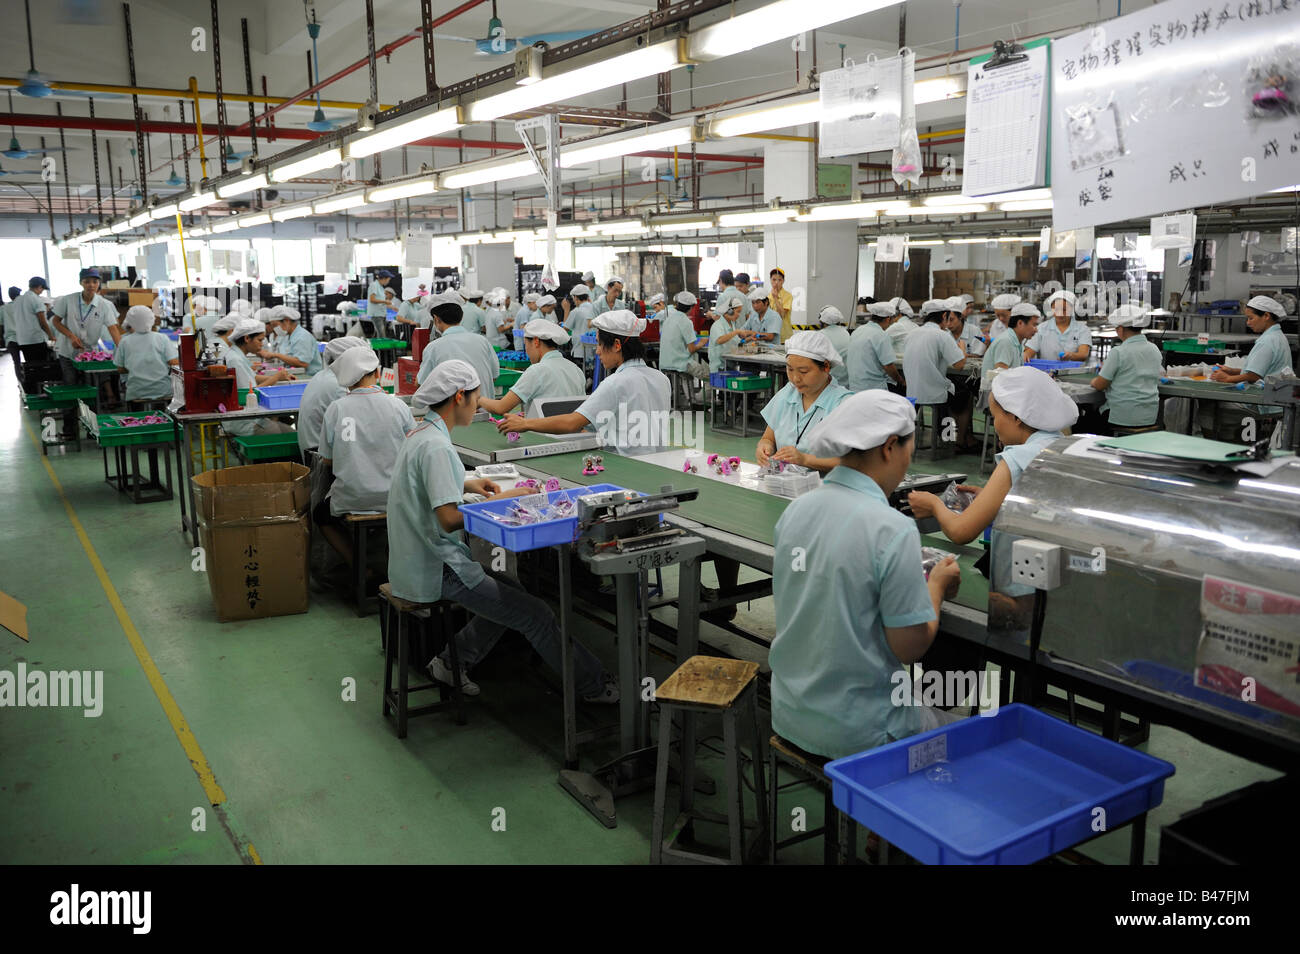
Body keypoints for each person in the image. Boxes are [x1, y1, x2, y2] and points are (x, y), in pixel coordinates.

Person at [388, 359, 618, 702]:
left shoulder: (421, 434)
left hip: (414, 558)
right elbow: (449, 519)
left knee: (513, 590)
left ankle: (452, 662)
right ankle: (593, 687)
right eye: (477, 396)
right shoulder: (437, 447)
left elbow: (426, 489)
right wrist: (503, 500)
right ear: (459, 397)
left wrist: (468, 482)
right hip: (438, 567)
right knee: (537, 615)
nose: (480, 402)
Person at [769, 390, 963, 759]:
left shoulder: (796, 510)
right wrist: (935, 587)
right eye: (909, 448)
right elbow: (910, 648)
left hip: (791, 712)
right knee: (974, 739)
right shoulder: (893, 529)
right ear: (890, 447)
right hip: (861, 732)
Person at [907, 367, 1077, 633]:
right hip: (1061, 578)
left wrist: (935, 505)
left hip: (1022, 583)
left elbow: (961, 531)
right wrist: (990, 496)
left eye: (995, 416)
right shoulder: (1063, 444)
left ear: (1016, 417)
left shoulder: (1016, 459)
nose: (994, 424)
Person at [497, 310, 670, 456]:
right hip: (657, 464)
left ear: (617, 345)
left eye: (600, 344)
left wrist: (525, 424)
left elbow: (571, 422)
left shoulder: (616, 383)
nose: (598, 351)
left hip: (626, 467)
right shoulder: (661, 378)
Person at [316, 347, 417, 564]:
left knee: (320, 514)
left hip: (354, 497)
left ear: (346, 381)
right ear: (378, 373)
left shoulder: (336, 409)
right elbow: (413, 449)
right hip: (396, 496)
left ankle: (359, 564)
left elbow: (327, 460)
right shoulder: (398, 406)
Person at [755, 330, 851, 475]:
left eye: (804, 371)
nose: (795, 379)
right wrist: (764, 447)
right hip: (784, 484)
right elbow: (768, 437)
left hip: (825, 489)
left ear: (826, 367)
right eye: (790, 369)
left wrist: (805, 459)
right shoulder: (788, 393)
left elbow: (851, 462)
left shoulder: (843, 404)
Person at [1202, 294, 1295, 443]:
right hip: (1274, 397)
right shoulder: (1276, 336)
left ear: (1266, 316)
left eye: (1251, 318)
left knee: (1207, 407)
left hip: (1264, 404)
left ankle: (1217, 443)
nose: (1248, 323)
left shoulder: (1268, 341)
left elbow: (1253, 376)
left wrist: (1227, 379)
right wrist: (1232, 371)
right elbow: (1262, 370)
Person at [478, 318, 585, 416]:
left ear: (536, 341)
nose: (527, 352)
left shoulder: (537, 371)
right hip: (570, 435)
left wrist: (478, 399)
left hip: (543, 435)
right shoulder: (576, 369)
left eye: (526, 345)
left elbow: (501, 407)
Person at [1090, 303, 1164, 434]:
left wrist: (1094, 381)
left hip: (1121, 417)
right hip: (1150, 417)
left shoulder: (1118, 352)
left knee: (1084, 421)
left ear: (1120, 329)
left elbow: (1100, 384)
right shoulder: (1154, 349)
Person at [415, 294, 499, 403]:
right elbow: (494, 375)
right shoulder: (483, 341)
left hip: (455, 416)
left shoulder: (433, 348)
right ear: (461, 316)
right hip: (486, 411)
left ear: (436, 319)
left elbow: (422, 383)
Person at [222, 317, 296, 438]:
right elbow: (250, 394)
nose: (262, 344)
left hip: (248, 415)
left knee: (291, 433)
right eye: (259, 340)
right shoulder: (235, 360)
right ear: (247, 338)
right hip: (244, 421)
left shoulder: (237, 355)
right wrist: (275, 377)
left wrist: (280, 377)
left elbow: (252, 377)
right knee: (279, 432)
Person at [297, 336, 367, 456]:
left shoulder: (323, 375)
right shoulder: (339, 385)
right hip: (323, 461)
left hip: (313, 451)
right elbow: (355, 429)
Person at [51, 268, 122, 385]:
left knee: (90, 385)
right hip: (67, 349)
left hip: (89, 353)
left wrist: (122, 351)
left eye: (95, 282)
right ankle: (74, 403)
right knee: (71, 383)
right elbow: (56, 321)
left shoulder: (104, 305)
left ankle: (89, 404)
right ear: (81, 283)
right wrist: (71, 336)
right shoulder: (68, 300)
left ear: (99, 283)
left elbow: (113, 329)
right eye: (87, 281)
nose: (91, 285)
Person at [902, 298, 968, 411]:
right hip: (935, 395)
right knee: (965, 394)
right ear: (944, 316)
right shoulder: (942, 335)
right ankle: (950, 428)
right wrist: (962, 347)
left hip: (912, 393)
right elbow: (960, 365)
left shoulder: (911, 334)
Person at [112, 305, 179, 408]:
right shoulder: (162, 338)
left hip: (136, 392)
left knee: (139, 419)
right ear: (151, 319)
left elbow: (120, 369)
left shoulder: (124, 341)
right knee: (164, 417)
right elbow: (174, 363)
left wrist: (136, 368)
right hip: (162, 390)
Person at [847, 301, 902, 392]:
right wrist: (901, 381)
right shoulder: (881, 335)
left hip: (854, 387)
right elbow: (888, 366)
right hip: (873, 389)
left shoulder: (858, 330)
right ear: (888, 319)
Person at [1025, 289, 1091, 363]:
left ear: (1072, 309)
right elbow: (1030, 350)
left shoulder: (1083, 329)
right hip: (1046, 372)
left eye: (1064, 309)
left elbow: (1083, 354)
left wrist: (1071, 356)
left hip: (1074, 372)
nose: (1060, 313)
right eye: (1056, 309)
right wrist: (1026, 355)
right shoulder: (1041, 328)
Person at [12, 276, 55, 391]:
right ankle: (41, 390)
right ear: (39, 287)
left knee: (31, 366)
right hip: (36, 339)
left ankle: (33, 391)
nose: (42, 291)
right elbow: (42, 321)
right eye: (42, 289)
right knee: (41, 368)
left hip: (22, 340)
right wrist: (51, 336)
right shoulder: (36, 300)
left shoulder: (18, 300)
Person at [261, 306, 322, 376]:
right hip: (295, 375)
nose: (274, 329)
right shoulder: (288, 336)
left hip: (309, 377)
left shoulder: (302, 336)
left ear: (286, 321)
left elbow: (302, 363)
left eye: (275, 325)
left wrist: (276, 355)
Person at [984, 302, 1039, 370]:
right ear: (1020, 323)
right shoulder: (1006, 342)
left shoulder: (1017, 343)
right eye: (1034, 325)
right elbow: (1001, 376)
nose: (1036, 330)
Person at [708, 297, 756, 373]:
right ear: (729, 311)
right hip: (719, 367)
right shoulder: (718, 325)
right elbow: (720, 340)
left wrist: (749, 338)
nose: (739, 315)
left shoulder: (732, 324)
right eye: (738, 312)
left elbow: (737, 342)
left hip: (729, 364)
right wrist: (736, 332)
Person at [817, 305, 851, 388]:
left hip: (828, 384)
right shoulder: (846, 333)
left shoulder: (821, 335)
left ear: (823, 322)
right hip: (845, 382)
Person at [562, 284, 596, 365]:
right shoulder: (594, 308)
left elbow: (565, 330)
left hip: (579, 351)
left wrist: (566, 310)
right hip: (593, 352)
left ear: (576, 298)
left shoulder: (576, 311)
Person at [885, 296, 918, 363]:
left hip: (901, 367)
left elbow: (881, 346)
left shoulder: (897, 327)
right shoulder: (915, 326)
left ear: (897, 313)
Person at [365, 269, 394, 338]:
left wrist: (391, 306)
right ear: (384, 278)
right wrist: (385, 301)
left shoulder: (380, 287)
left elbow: (380, 301)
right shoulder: (374, 285)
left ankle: (373, 348)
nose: (388, 281)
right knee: (381, 335)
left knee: (378, 334)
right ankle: (381, 349)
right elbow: (372, 299)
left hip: (381, 313)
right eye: (388, 280)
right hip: (376, 314)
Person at [768, 267, 793, 341]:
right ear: (770, 280)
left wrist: (775, 298)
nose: (776, 282)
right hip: (770, 335)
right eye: (774, 279)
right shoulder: (768, 296)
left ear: (783, 281)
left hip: (784, 336)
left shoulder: (788, 296)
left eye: (779, 280)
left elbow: (782, 315)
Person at [2, 286, 21, 366]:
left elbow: (1, 323)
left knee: (16, 363)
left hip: (11, 339)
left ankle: (20, 378)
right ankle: (30, 378)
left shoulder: (3, 308)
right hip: (25, 338)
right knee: (29, 362)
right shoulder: (22, 306)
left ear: (9, 296)